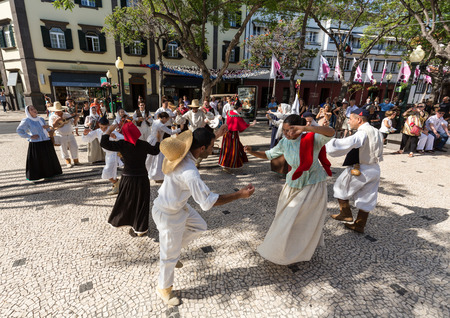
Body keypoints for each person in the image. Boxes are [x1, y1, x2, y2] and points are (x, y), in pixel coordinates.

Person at [152, 127, 254, 306]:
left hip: (178, 207)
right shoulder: (190, 172)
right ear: (201, 149)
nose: (213, 148)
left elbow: (201, 136)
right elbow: (207, 202)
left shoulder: (186, 152)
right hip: (168, 215)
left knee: (200, 226)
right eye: (212, 146)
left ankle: (173, 251)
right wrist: (240, 195)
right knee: (167, 258)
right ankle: (164, 288)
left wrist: (215, 134)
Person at [244, 114, 335, 265]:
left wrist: (306, 128)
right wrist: (251, 151)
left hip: (312, 184)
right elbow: (269, 155)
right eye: (285, 130)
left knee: (301, 219)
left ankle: (297, 251)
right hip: (293, 183)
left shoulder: (313, 139)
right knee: (285, 218)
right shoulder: (284, 142)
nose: (287, 134)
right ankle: (282, 249)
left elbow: (331, 132)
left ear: (299, 128)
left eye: (290, 130)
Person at [326, 108, 384, 234]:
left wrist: (328, 142)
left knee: (340, 188)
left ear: (359, 120)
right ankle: (359, 225)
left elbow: (347, 143)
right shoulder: (377, 131)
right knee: (367, 196)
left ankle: (345, 214)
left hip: (360, 169)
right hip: (374, 168)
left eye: (350, 119)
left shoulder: (362, 133)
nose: (349, 122)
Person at [100, 121, 160, 237]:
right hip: (142, 177)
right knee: (141, 202)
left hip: (127, 178)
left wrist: (109, 130)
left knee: (126, 201)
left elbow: (104, 143)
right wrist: (158, 140)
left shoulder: (122, 144)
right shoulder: (143, 144)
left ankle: (125, 221)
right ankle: (141, 229)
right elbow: (155, 151)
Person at [16, 105, 62, 181]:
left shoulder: (41, 119)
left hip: (46, 141)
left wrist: (49, 127)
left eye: (34, 108)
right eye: (31, 109)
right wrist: (30, 136)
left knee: (47, 159)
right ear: (28, 112)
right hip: (36, 143)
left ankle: (50, 173)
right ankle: (38, 175)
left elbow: (48, 130)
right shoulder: (27, 120)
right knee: (37, 160)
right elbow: (19, 130)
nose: (34, 109)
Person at [82, 115, 124, 195]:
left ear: (108, 125)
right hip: (107, 155)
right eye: (101, 127)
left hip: (114, 154)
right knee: (111, 172)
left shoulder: (112, 132)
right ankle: (117, 185)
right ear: (99, 125)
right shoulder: (98, 131)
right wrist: (85, 134)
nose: (103, 129)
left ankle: (117, 183)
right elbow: (89, 138)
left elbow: (124, 139)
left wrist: (115, 137)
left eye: (105, 127)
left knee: (107, 172)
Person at [218, 102, 256, 172]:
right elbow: (243, 125)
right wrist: (252, 124)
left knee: (226, 148)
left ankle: (224, 163)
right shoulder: (237, 116)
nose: (241, 110)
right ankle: (227, 165)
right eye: (241, 108)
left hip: (226, 133)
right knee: (232, 150)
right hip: (233, 134)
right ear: (238, 108)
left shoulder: (229, 112)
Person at [146, 112, 181, 182]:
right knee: (158, 159)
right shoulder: (161, 125)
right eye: (167, 119)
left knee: (151, 158)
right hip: (157, 141)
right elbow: (170, 132)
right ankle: (157, 176)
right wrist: (180, 129)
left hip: (151, 140)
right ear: (164, 118)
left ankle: (151, 173)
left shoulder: (155, 121)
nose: (167, 121)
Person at [48, 101, 80, 168]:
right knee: (63, 149)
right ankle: (68, 161)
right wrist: (56, 121)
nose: (58, 112)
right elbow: (52, 127)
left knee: (74, 147)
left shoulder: (67, 115)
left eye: (59, 111)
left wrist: (76, 118)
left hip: (70, 134)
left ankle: (76, 160)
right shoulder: (52, 117)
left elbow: (73, 123)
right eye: (56, 111)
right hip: (61, 135)